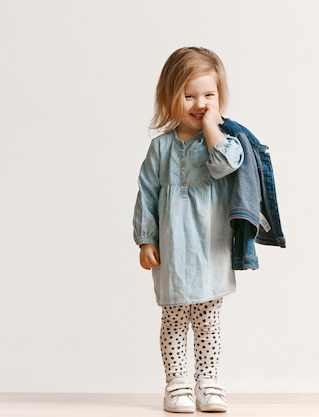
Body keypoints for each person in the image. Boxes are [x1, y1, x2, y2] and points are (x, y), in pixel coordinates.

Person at [133, 46, 244, 413]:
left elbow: (227, 165)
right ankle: (177, 384)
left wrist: (212, 125)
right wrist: (146, 239)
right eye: (190, 95)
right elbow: (147, 195)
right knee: (175, 322)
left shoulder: (223, 142)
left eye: (209, 95)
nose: (200, 103)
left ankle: (208, 383)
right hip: (174, 254)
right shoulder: (161, 148)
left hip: (210, 250)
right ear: (170, 97)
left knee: (208, 323)